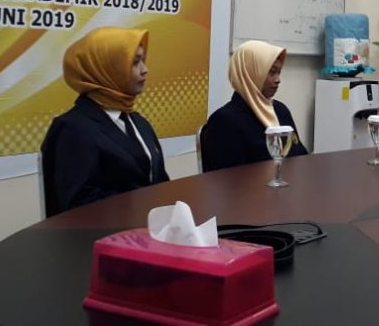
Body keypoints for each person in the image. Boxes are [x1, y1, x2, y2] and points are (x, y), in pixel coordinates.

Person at [40, 26, 169, 216]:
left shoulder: (138, 122)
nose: (145, 70)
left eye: (143, 60)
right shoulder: (73, 129)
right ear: (107, 69)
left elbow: (160, 182)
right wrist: (142, 209)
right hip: (107, 232)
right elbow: (79, 205)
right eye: (135, 62)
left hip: (152, 227)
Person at [200, 40, 308, 172]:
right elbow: (225, 178)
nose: (278, 79)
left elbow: (301, 157)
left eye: (279, 72)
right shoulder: (225, 120)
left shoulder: (280, 111)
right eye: (272, 72)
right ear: (250, 74)